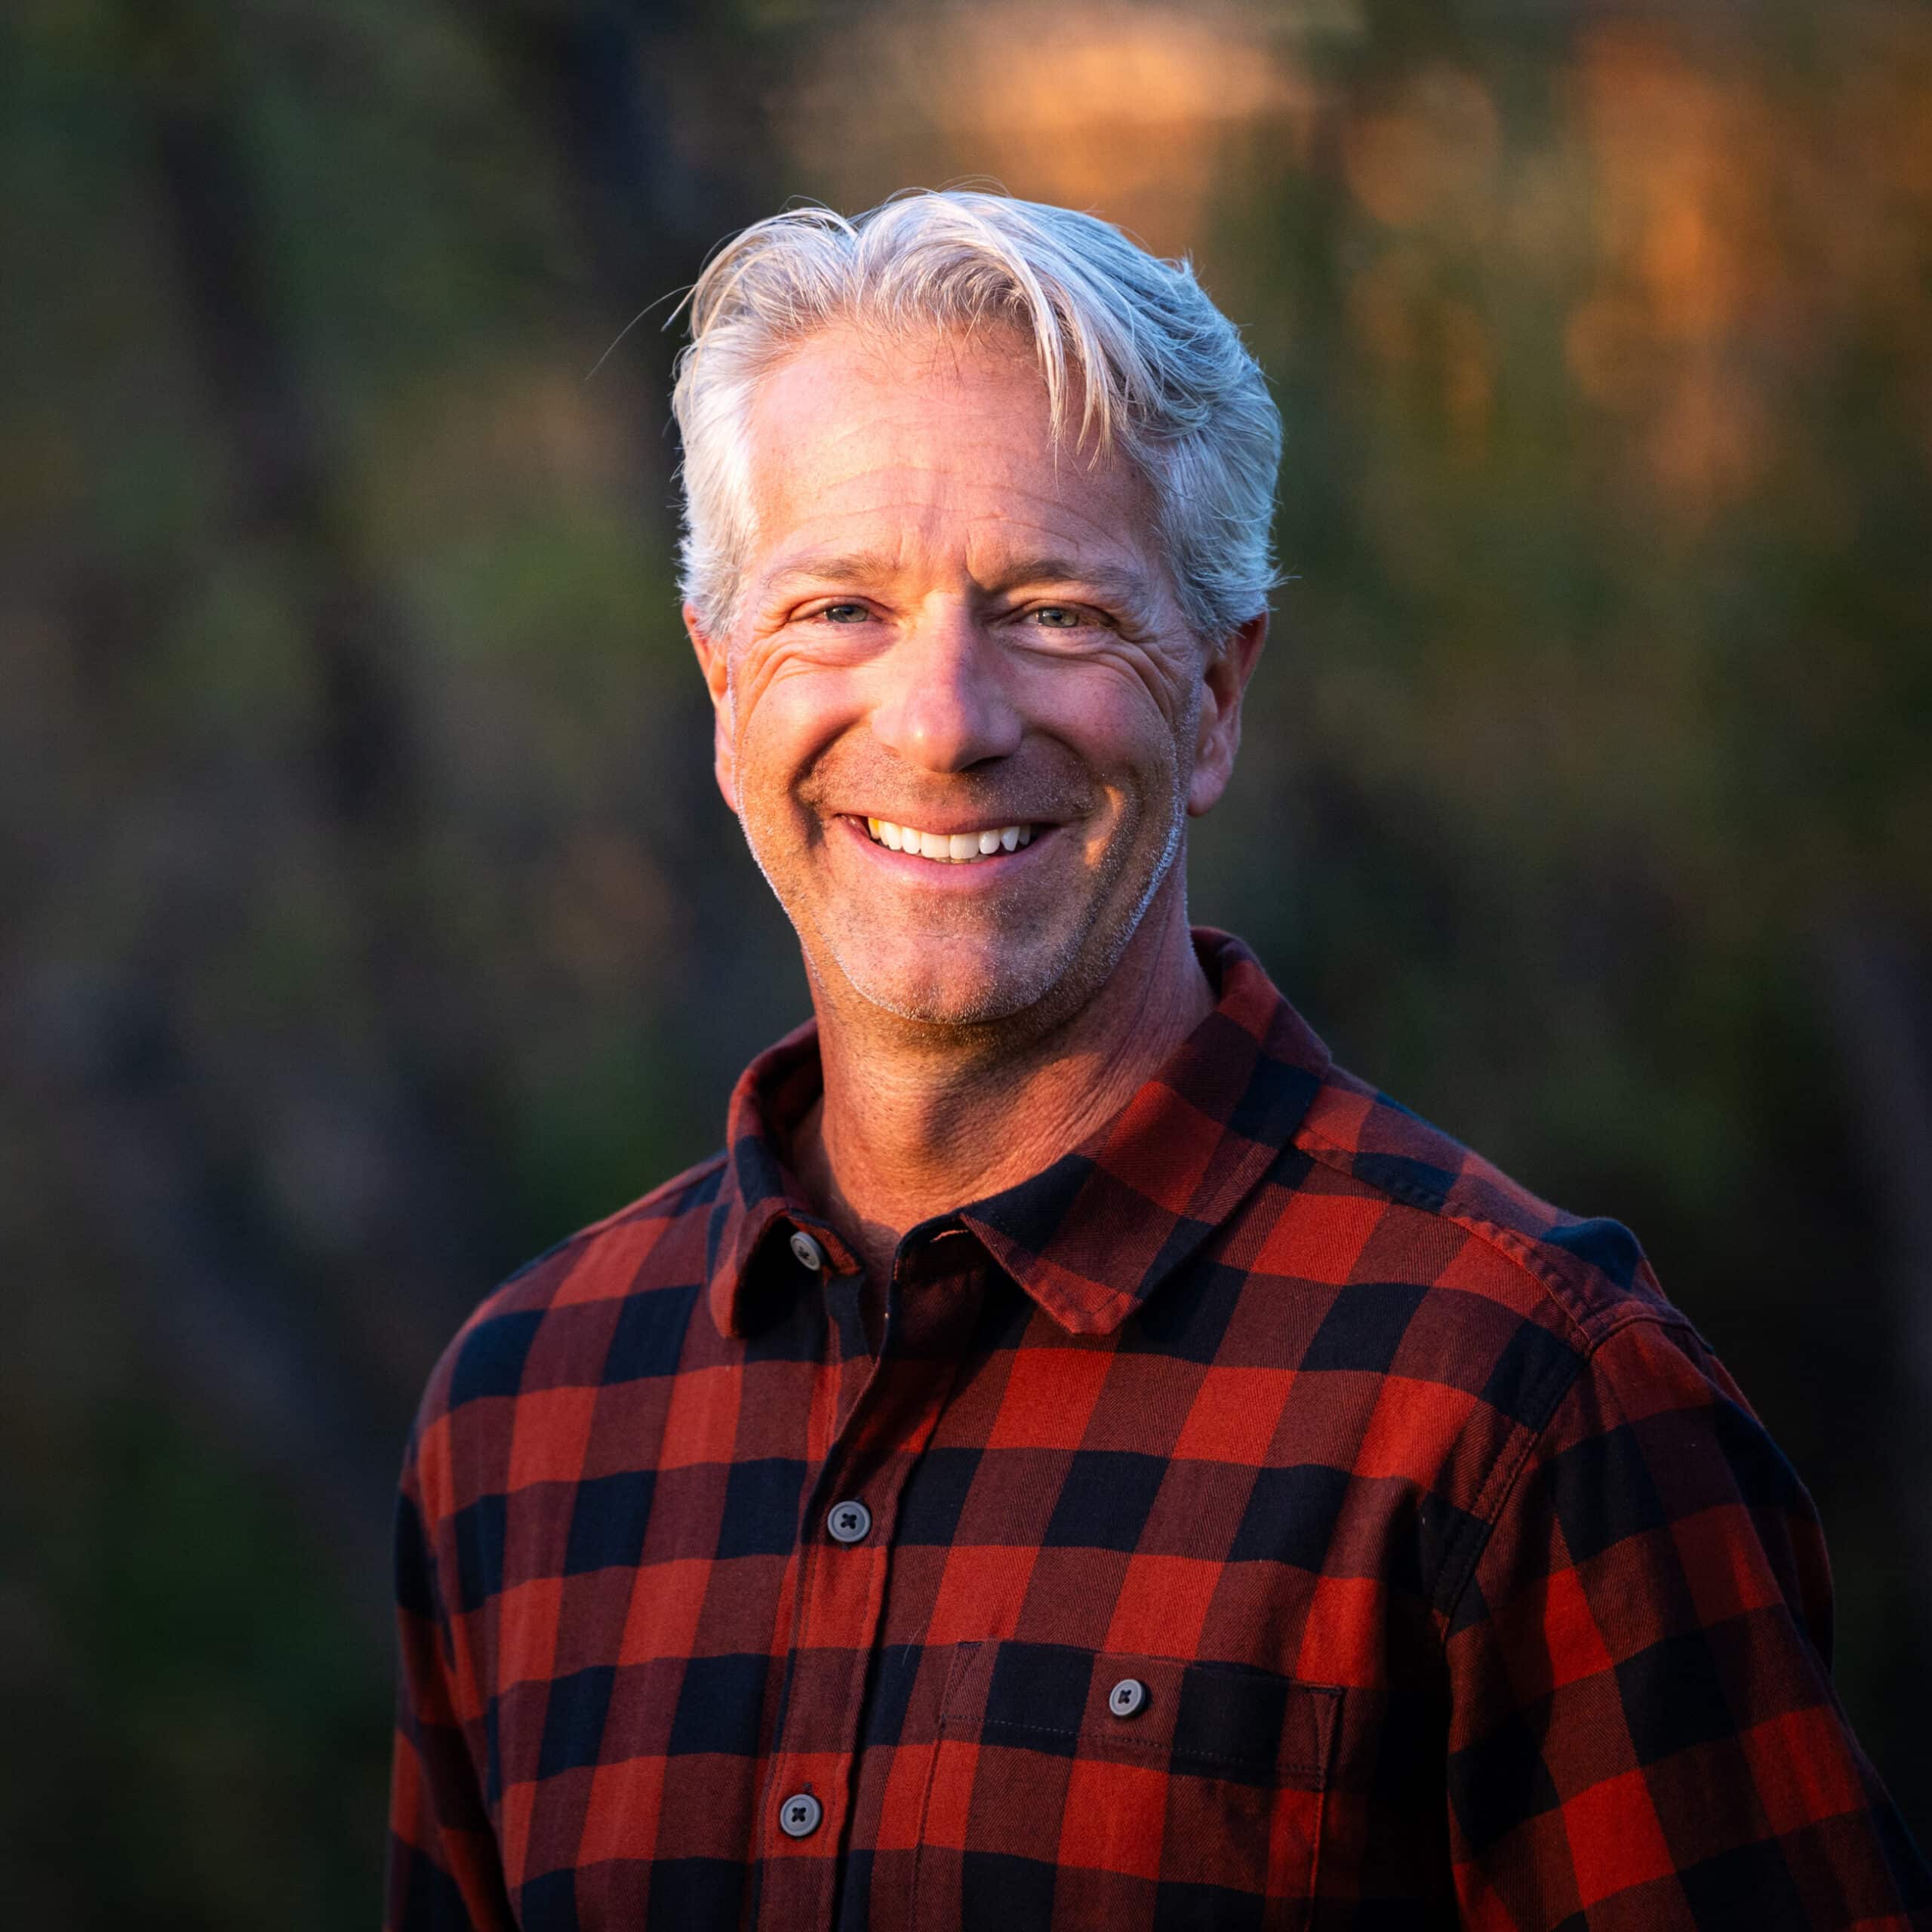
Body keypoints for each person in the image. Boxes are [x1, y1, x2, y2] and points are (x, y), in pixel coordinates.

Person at [385, 191, 1928, 1931]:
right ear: (720, 683)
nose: (945, 720)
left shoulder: (1517, 1408)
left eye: (1050, 610)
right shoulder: (524, 1417)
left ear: (1212, 694)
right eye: (838, 608)